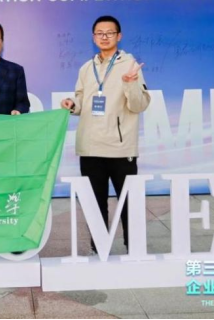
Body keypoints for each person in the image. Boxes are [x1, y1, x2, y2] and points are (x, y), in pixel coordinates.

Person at [60, 15, 149, 253]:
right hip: (90, 148)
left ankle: (134, 249)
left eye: (109, 33)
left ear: (119, 36)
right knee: (94, 203)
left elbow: (139, 105)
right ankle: (99, 248)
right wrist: (72, 104)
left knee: (129, 201)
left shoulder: (130, 65)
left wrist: (130, 83)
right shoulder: (86, 68)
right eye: (100, 33)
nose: (104, 37)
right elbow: (82, 100)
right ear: (93, 37)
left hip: (120, 148)